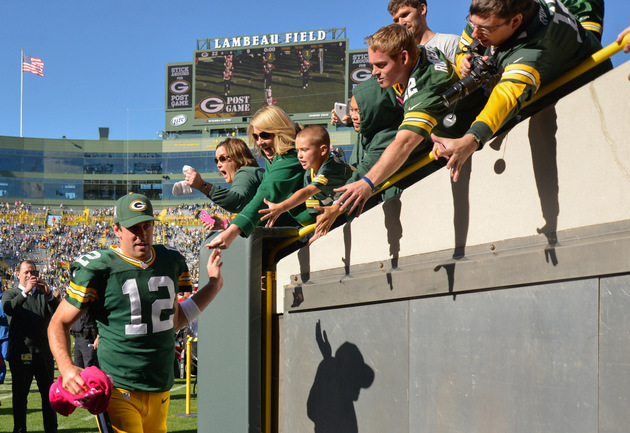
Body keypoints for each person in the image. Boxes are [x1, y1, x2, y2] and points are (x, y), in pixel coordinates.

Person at [48, 193, 225, 433]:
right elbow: (57, 323)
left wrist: (214, 284)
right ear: (117, 229)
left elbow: (175, 321)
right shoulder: (100, 267)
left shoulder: (170, 260)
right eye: (133, 227)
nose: (142, 233)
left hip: (160, 385)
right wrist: (67, 368)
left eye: (147, 225)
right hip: (118, 386)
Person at [431, 0, 611, 183]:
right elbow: (466, 42)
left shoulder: (535, 49)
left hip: (585, 101)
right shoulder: (493, 15)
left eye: (485, 29)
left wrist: (471, 139)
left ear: (515, 21)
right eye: (471, 22)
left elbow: (506, 96)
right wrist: (464, 59)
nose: (476, 33)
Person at [334, 24, 481, 217]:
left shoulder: (427, 87)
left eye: (380, 65)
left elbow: (404, 143)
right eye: (372, 65)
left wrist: (367, 183)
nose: (373, 72)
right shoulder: (417, 53)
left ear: (403, 57)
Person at [208, 105, 310, 249]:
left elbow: (264, 196)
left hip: (324, 225)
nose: (259, 142)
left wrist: (231, 232)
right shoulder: (275, 158)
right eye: (256, 136)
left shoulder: (291, 156)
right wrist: (228, 225)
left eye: (265, 135)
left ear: (280, 131)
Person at [3, 260, 59, 433]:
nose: (30, 275)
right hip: (21, 352)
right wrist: (26, 292)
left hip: (43, 352)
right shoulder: (11, 293)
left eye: (33, 272)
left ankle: (51, 429)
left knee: (48, 396)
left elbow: (58, 312)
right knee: (20, 396)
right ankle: (19, 429)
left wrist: (49, 294)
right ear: (17, 274)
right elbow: (9, 309)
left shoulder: (43, 295)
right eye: (26, 272)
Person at [259, 125, 352, 228]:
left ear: (323, 150)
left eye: (304, 150)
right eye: (298, 150)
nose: (299, 155)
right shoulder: (309, 172)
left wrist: (281, 207)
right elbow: (318, 209)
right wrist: (319, 232)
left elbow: (307, 192)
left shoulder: (330, 167)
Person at [184, 138, 265, 215]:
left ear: (237, 157)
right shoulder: (253, 172)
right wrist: (225, 225)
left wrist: (203, 186)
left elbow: (237, 202)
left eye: (222, 158)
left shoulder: (245, 172)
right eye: (216, 160)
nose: (218, 165)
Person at [388, 0, 460, 63]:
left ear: (422, 9)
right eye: (396, 20)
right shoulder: (402, 56)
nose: (401, 23)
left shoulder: (450, 42)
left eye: (405, 15)